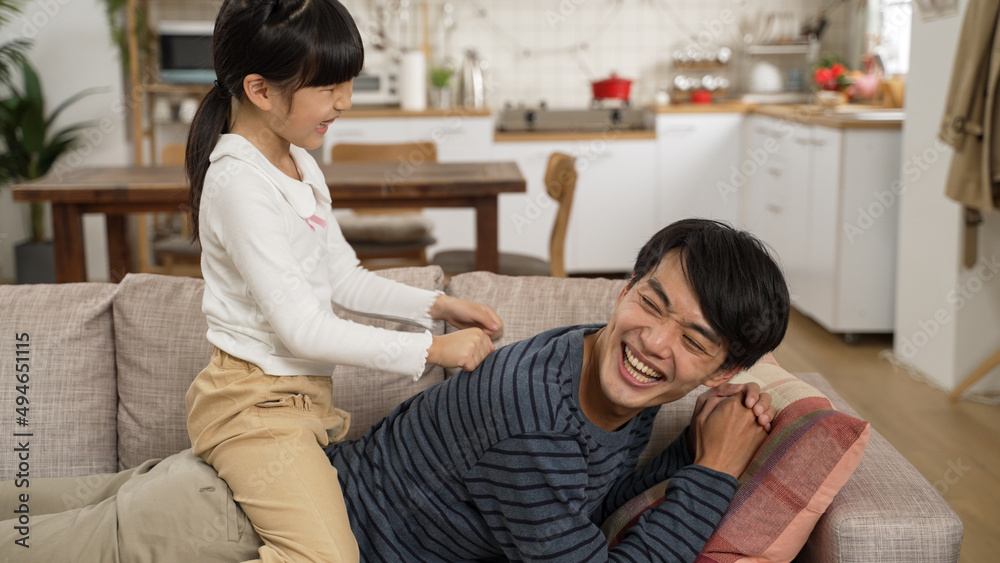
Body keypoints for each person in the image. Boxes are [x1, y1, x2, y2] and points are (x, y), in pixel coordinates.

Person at [0, 218, 789, 562]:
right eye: (652, 303)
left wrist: (694, 446)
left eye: (694, 339)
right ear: (624, 288)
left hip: (239, 495)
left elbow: (597, 497)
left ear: (723, 372)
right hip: (233, 528)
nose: (655, 341)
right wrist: (715, 473)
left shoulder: (595, 366)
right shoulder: (533, 415)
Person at [180, 0, 502, 562]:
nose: (345, 102)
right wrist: (432, 347)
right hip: (250, 407)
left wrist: (439, 305)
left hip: (296, 404)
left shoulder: (298, 164)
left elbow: (343, 279)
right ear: (259, 90)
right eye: (328, 87)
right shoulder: (238, 184)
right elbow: (303, 330)